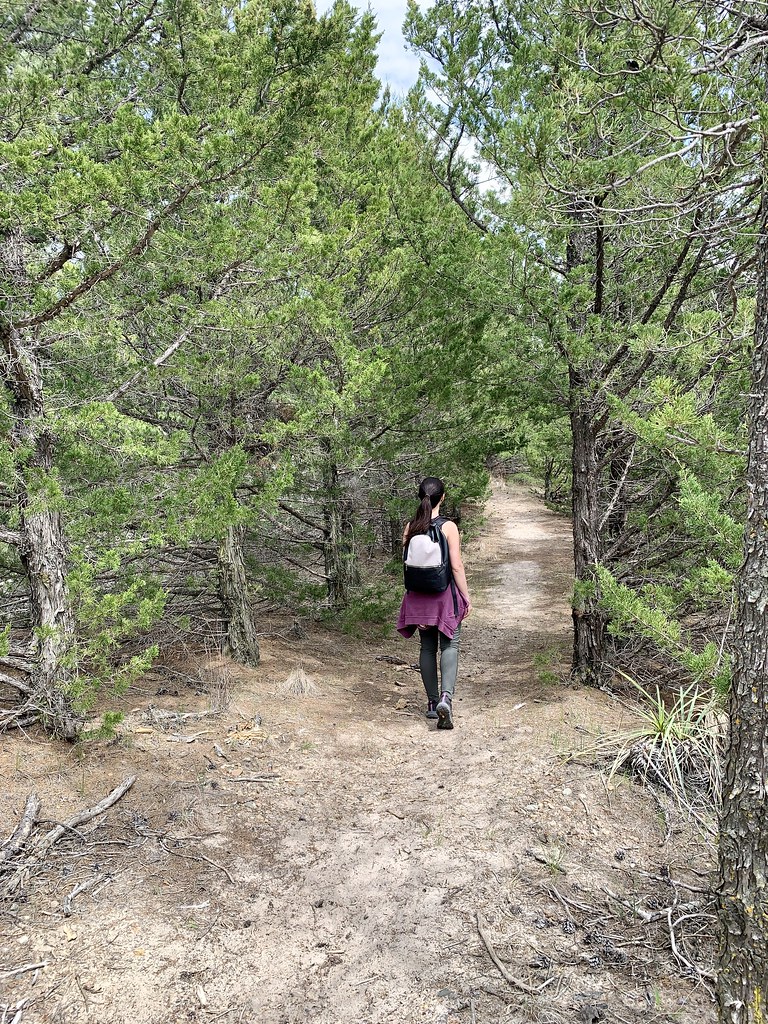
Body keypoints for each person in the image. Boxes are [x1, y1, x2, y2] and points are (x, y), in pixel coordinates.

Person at [396, 477, 472, 730]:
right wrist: (466, 597)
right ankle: (445, 699)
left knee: (427, 647)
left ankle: (430, 703)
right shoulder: (448, 527)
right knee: (450, 643)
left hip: (417, 596)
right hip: (443, 595)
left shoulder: (410, 527)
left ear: (421, 497)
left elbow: (405, 565)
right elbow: (456, 566)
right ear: (443, 497)